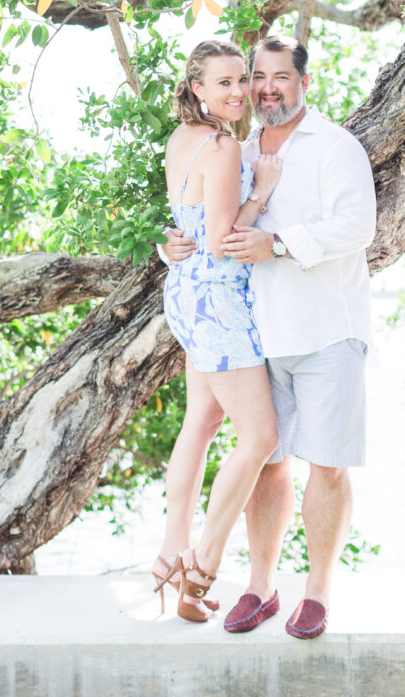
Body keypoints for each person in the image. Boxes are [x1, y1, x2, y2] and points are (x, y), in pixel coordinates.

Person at [164, 35, 376, 639]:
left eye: (280, 76)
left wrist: (278, 244)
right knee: (268, 464)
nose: (265, 88)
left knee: (326, 466)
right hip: (260, 333)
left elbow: (357, 225)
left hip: (326, 329)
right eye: (257, 77)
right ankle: (260, 588)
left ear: (304, 82)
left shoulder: (335, 146)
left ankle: (318, 594)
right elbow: (209, 223)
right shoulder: (241, 145)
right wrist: (170, 242)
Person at [152, 39, 281, 623]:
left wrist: (170, 243)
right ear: (197, 88)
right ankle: (200, 569)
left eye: (240, 81)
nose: (236, 93)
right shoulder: (226, 146)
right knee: (260, 438)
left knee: (201, 424)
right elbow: (221, 239)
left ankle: (167, 555)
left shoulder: (182, 139)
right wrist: (262, 192)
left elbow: (186, 222)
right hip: (217, 300)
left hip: (184, 294)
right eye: (223, 83)